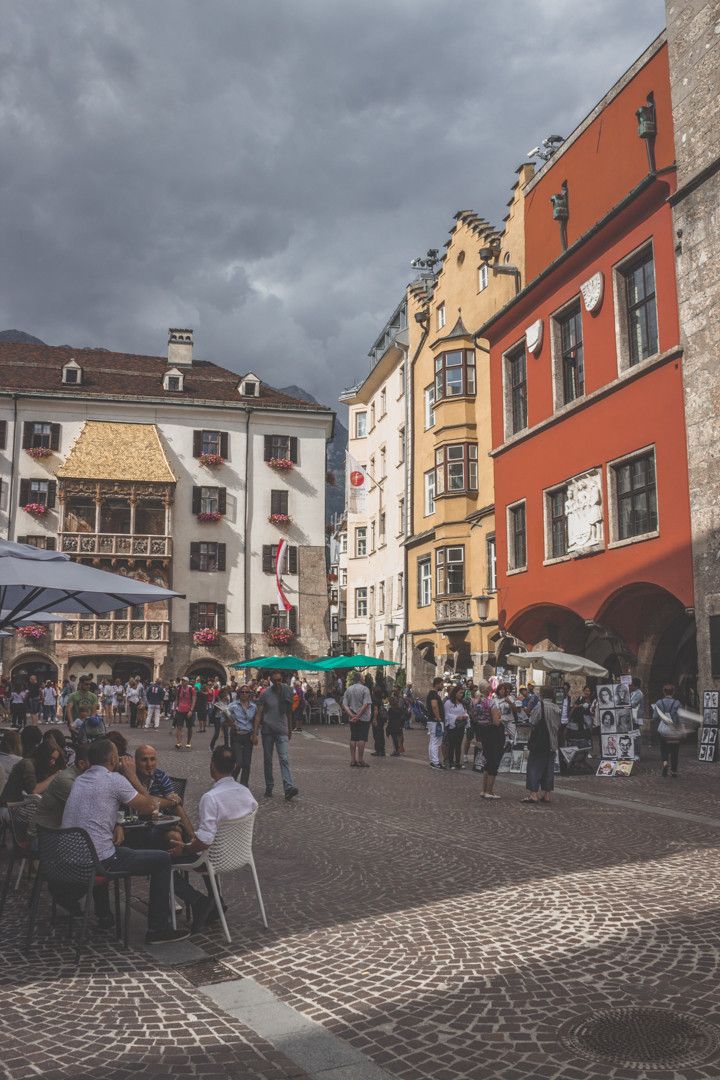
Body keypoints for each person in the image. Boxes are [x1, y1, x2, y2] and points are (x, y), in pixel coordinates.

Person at [61, 738, 190, 944]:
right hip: (98, 862)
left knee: (106, 846)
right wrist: (131, 776)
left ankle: (104, 915)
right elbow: (150, 807)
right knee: (161, 860)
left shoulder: (81, 780)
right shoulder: (115, 780)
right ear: (113, 759)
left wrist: (117, 825)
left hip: (69, 860)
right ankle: (158, 929)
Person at [169, 746, 259, 933]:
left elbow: (205, 842)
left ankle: (199, 901)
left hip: (215, 859)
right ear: (235, 767)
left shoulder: (211, 798)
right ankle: (216, 901)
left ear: (211, 767)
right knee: (203, 848)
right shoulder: (246, 793)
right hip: (240, 855)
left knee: (163, 863)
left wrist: (185, 848)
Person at [254, 670, 299, 799]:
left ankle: (288, 787)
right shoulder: (265, 694)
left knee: (284, 759)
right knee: (268, 760)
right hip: (268, 730)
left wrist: (290, 729)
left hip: (282, 730)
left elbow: (289, 712)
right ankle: (269, 786)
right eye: (275, 680)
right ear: (271, 681)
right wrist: (255, 732)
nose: (278, 682)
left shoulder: (287, 691)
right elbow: (259, 714)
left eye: (279, 680)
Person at [522, 687, 561, 804]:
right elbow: (559, 724)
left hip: (541, 742)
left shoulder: (540, 706)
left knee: (534, 767)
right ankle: (546, 794)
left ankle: (533, 794)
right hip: (553, 742)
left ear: (542, 695)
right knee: (548, 769)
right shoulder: (556, 707)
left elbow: (533, 721)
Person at [481, 684, 512, 799]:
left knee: (487, 764)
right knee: (493, 764)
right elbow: (496, 722)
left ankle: (484, 790)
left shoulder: (481, 703)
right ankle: (489, 791)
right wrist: (500, 717)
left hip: (486, 735)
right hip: (494, 737)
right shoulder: (492, 703)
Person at [225, 685, 258, 787]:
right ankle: (232, 782)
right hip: (236, 736)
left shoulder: (253, 707)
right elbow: (224, 715)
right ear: (239, 693)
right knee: (238, 762)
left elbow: (255, 722)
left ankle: (244, 785)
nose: (244, 694)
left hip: (248, 736)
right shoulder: (233, 705)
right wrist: (230, 723)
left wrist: (255, 734)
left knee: (247, 764)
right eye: (242, 692)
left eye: (246, 692)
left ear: (250, 694)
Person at [342, 672, 373, 768]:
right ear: (360, 679)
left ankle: (352, 759)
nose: (364, 679)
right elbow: (366, 704)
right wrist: (358, 716)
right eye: (363, 677)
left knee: (353, 738)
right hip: (363, 718)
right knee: (362, 738)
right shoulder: (365, 689)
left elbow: (345, 705)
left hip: (352, 718)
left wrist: (352, 716)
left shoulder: (349, 689)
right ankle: (360, 759)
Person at [653, 684, 683, 777]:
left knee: (663, 748)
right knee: (675, 750)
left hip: (663, 730)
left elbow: (654, 717)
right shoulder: (677, 703)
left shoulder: (659, 703)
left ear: (664, 692)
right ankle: (674, 771)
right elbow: (680, 718)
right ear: (673, 692)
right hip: (673, 730)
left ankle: (665, 762)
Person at [443, 685, 469, 770]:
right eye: (460, 693)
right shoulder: (448, 703)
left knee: (458, 744)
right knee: (451, 744)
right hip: (452, 726)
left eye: (462, 693)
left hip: (460, 726)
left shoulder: (462, 703)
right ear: (455, 693)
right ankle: (451, 762)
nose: (461, 694)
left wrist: (465, 716)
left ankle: (458, 762)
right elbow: (446, 715)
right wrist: (456, 717)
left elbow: (464, 712)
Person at [426, 677, 445, 770]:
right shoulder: (433, 694)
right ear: (437, 684)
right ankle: (435, 762)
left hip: (432, 721)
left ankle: (433, 760)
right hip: (435, 721)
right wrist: (438, 718)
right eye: (442, 684)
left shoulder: (432, 694)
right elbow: (434, 706)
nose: (443, 686)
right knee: (436, 742)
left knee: (433, 741)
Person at [173, 677, 197, 750]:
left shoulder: (191, 689)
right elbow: (177, 699)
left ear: (187, 682)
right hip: (180, 710)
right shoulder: (179, 689)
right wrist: (174, 709)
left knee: (189, 727)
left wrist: (191, 710)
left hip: (188, 710)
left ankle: (188, 742)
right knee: (179, 727)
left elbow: (194, 700)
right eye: (182, 681)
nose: (182, 682)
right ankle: (179, 742)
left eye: (184, 681)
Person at [386, 691, 407, 756]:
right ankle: (401, 749)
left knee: (394, 738)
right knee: (400, 737)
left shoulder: (390, 710)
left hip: (393, 726)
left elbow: (389, 719)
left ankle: (396, 751)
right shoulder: (400, 709)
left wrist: (388, 728)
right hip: (399, 725)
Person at [370, 687, 387, 757]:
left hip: (377, 718)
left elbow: (375, 710)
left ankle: (379, 750)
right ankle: (381, 750)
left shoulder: (374, 699)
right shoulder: (380, 699)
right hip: (382, 718)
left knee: (376, 734)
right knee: (380, 733)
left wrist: (374, 719)